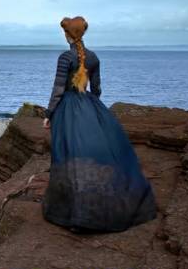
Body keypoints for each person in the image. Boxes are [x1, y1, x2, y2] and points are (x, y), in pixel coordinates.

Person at [42, 16, 156, 232]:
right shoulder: (94, 58)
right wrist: (93, 110)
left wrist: (49, 113)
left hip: (68, 107)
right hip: (88, 104)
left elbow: (58, 89)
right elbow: (97, 89)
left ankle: (72, 207)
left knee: (68, 153)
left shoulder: (65, 57)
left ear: (67, 35)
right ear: (82, 34)